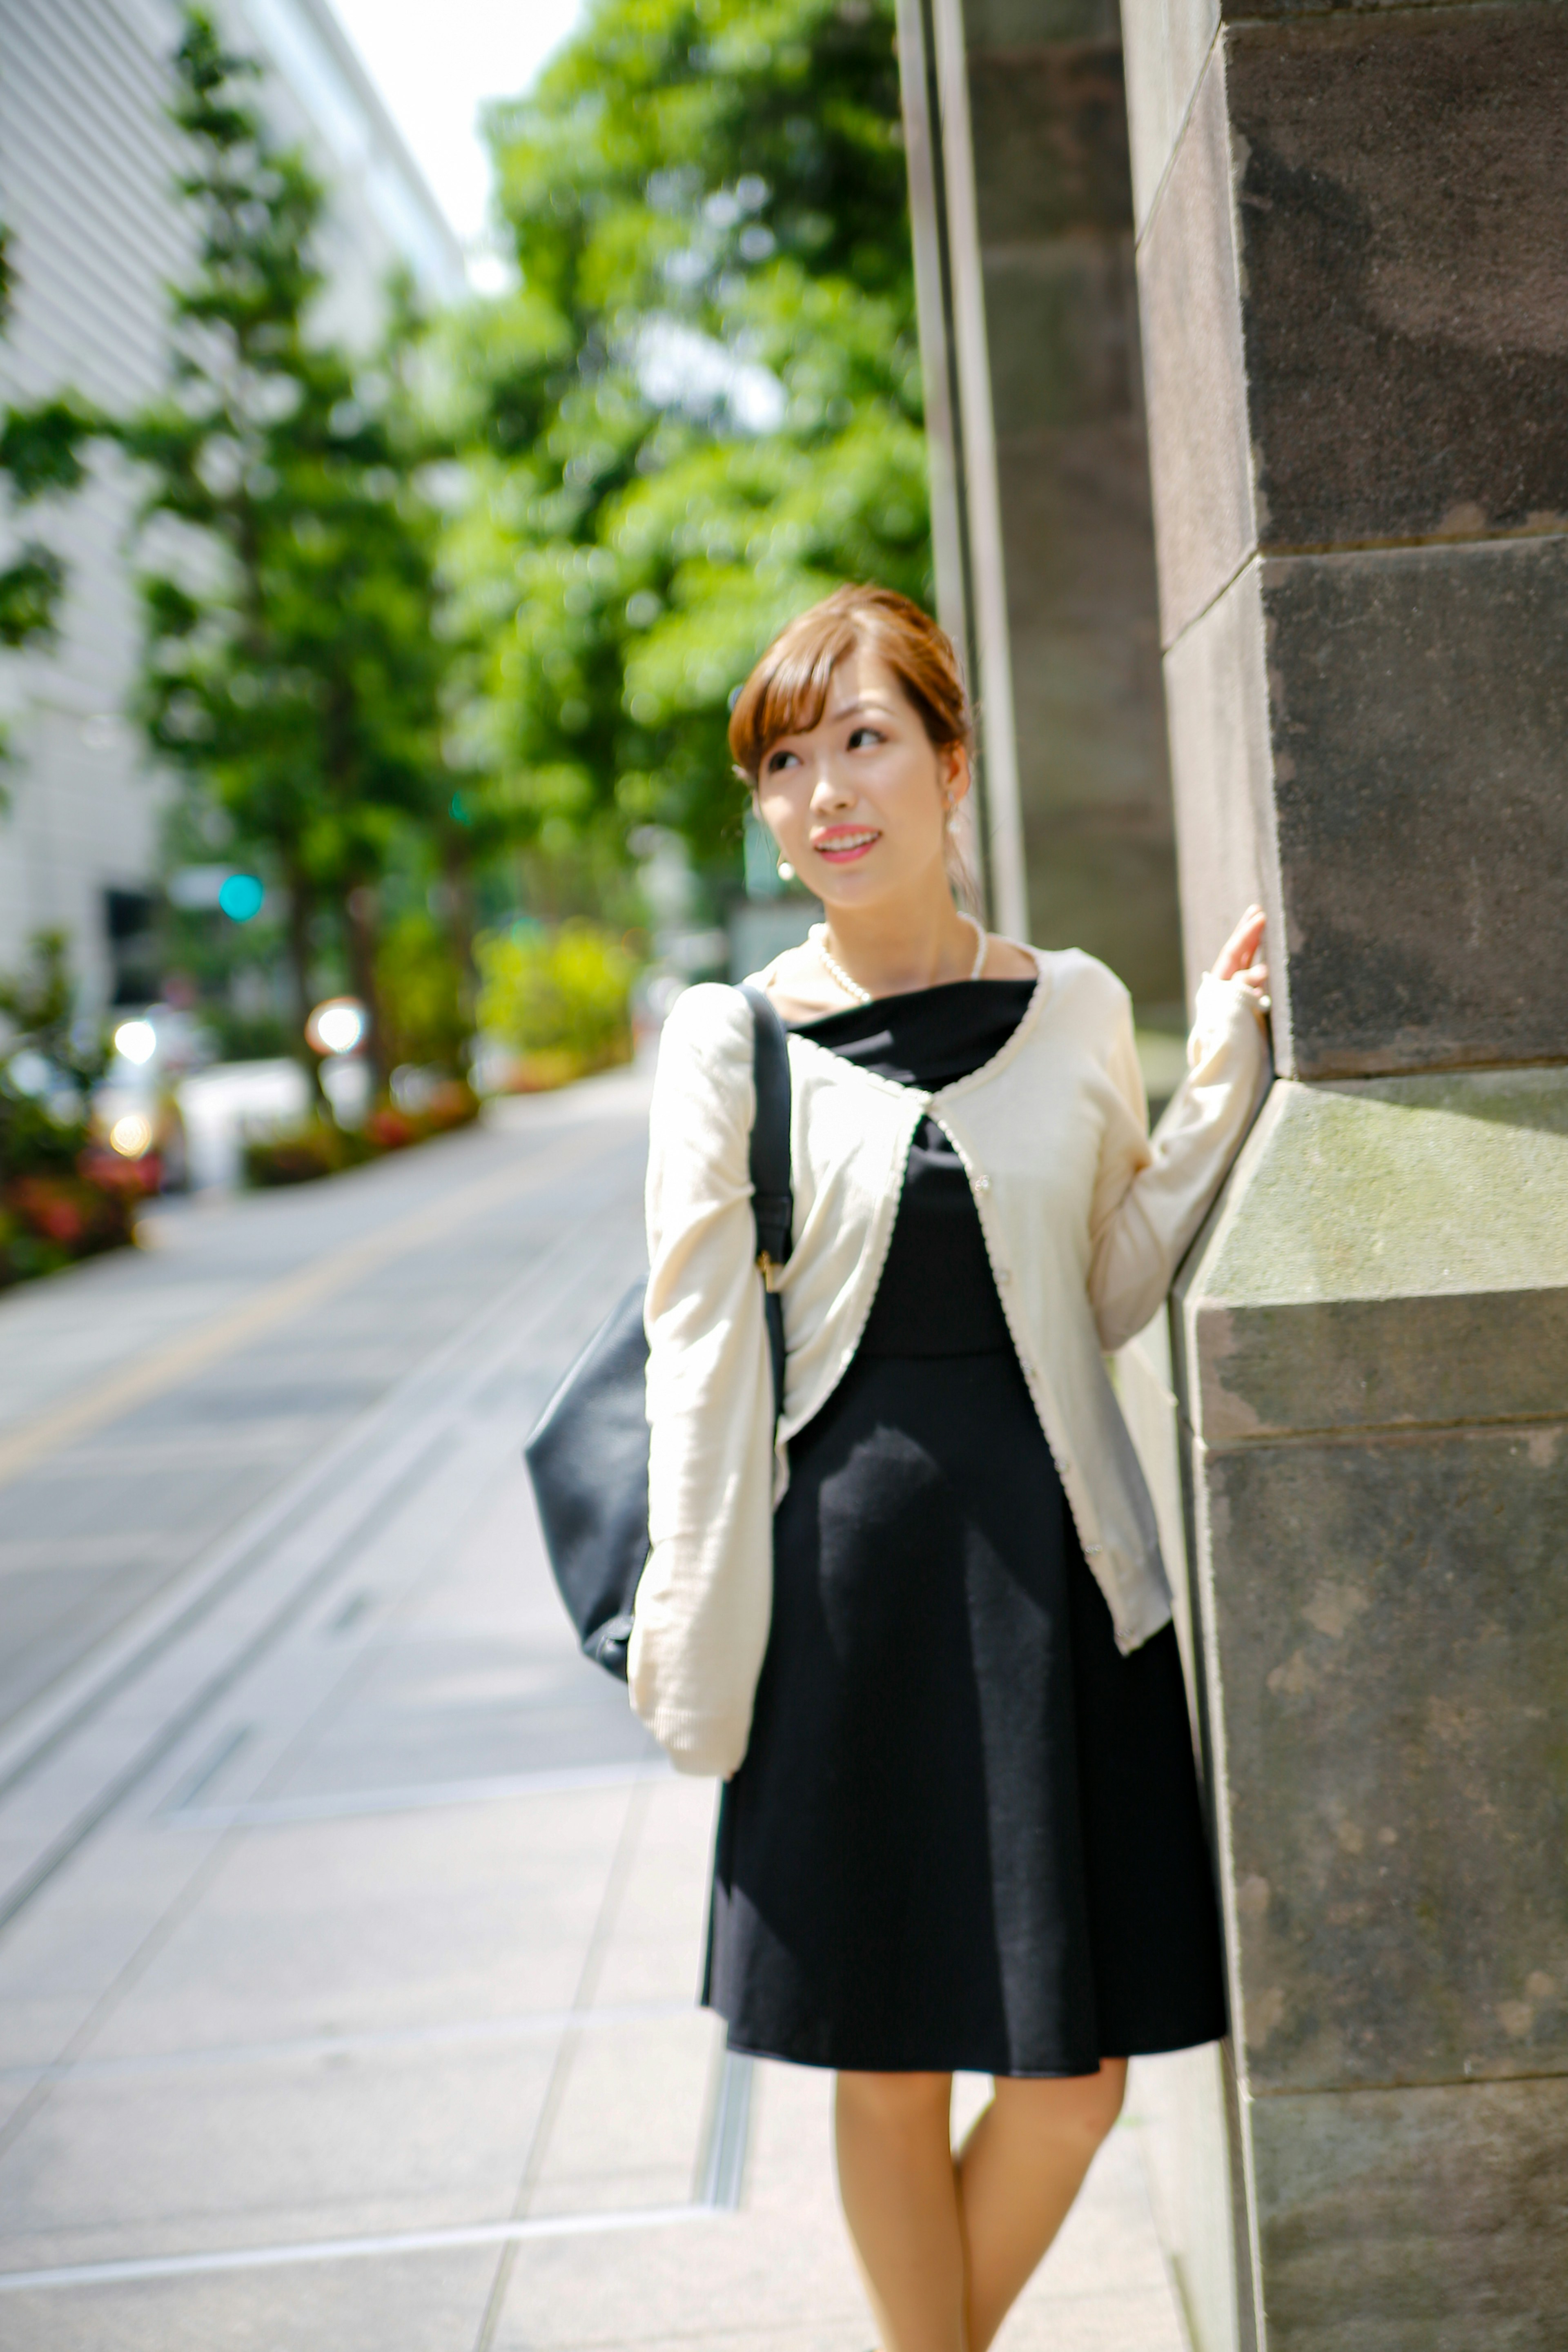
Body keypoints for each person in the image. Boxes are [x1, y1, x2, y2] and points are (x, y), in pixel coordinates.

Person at [629, 585, 1269, 2352]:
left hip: (1058, 1586)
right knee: (892, 2067)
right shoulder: (728, 1043)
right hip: (846, 1604)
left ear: (952, 760)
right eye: (782, 763)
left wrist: (1215, 1089)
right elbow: (698, 1361)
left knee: (1074, 2087)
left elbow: (1105, 1288)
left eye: (863, 742)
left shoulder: (1071, 1009)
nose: (824, 793)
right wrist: (694, 1642)